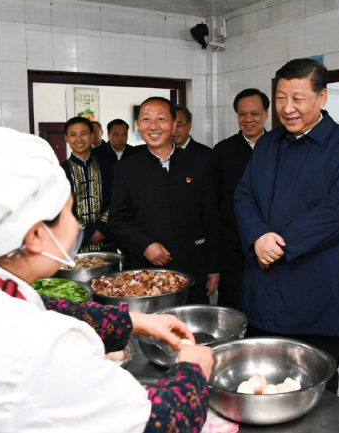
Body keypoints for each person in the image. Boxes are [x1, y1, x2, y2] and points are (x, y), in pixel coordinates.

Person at [0, 127, 213, 432]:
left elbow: (43, 305)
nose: (75, 224)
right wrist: (192, 369)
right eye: (69, 212)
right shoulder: (41, 348)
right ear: (35, 234)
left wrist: (134, 321)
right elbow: (160, 423)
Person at [234, 59, 339, 394]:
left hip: (316, 292)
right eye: (281, 98)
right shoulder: (268, 144)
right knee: (260, 383)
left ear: (322, 97)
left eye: (297, 98)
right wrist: (258, 237)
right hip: (264, 289)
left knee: (313, 388)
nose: (287, 108)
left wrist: (279, 244)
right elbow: (244, 193)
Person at [109, 97, 221, 305]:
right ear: (139, 125)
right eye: (146, 119)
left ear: (174, 124)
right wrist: (145, 246)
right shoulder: (126, 169)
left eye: (161, 119)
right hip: (146, 273)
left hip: (193, 268)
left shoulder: (200, 163)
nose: (153, 126)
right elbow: (117, 220)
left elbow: (211, 217)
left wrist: (214, 268)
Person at [212, 89, 269, 310]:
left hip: (271, 242)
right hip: (232, 244)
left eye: (254, 114)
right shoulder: (223, 151)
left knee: (266, 302)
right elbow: (214, 200)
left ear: (266, 114)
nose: (248, 119)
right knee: (233, 301)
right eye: (242, 114)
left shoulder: (280, 146)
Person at [61, 116, 117, 253]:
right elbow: (60, 208)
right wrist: (87, 233)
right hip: (74, 245)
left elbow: (115, 200)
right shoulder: (59, 172)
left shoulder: (107, 167)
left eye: (83, 133)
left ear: (92, 136)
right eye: (73, 135)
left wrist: (101, 228)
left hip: (106, 241)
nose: (79, 139)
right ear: (66, 138)